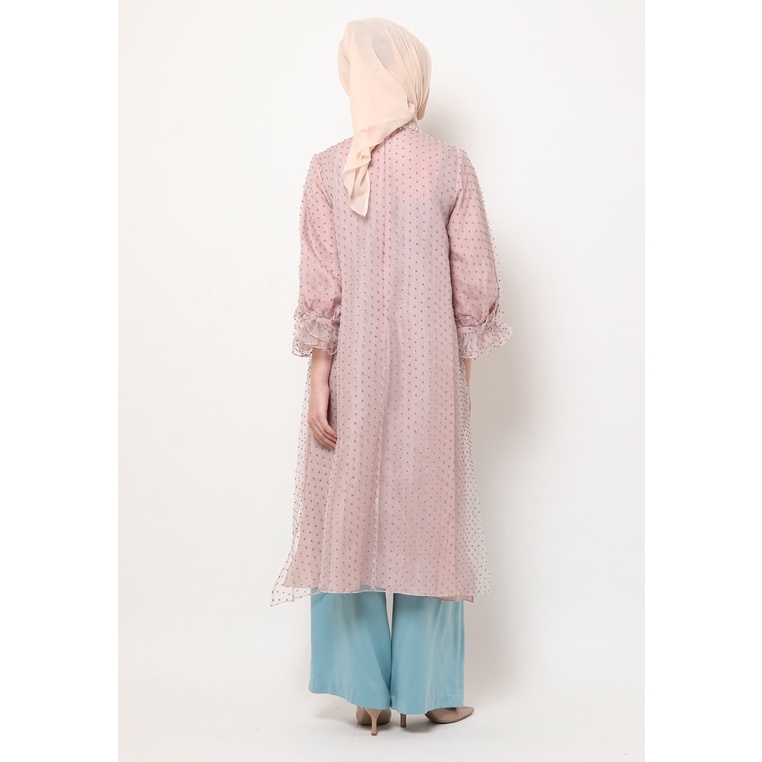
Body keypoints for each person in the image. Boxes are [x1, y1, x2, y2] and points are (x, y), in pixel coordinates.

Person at [271, 17, 513, 736]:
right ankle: (428, 691)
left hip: (352, 370)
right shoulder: (449, 166)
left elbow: (322, 284)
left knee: (346, 515)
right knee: (429, 519)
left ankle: (363, 694)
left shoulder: (326, 168)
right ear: (412, 79)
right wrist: (460, 373)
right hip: (430, 373)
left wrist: (320, 376)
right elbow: (474, 282)